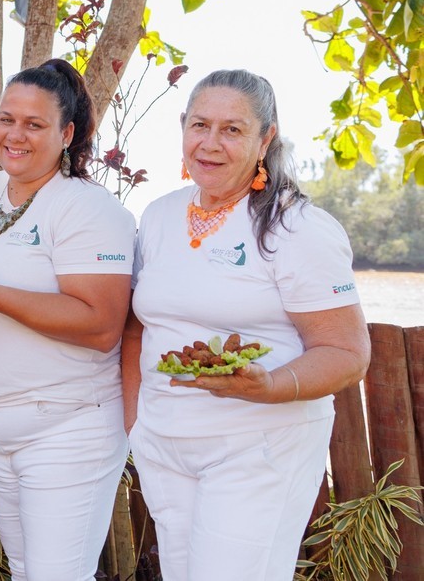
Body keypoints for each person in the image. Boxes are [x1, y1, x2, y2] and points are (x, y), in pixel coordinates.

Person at [121, 69, 369, 581]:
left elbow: (347, 353)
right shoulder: (159, 215)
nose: (210, 144)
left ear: (266, 138)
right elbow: (137, 327)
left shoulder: (296, 227)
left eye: (232, 130)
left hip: (259, 448)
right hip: (165, 445)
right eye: (199, 125)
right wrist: (136, 426)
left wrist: (270, 384)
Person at [0, 59, 136, 580]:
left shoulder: (88, 209)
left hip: (68, 424)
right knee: (23, 570)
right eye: (6, 119)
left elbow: (101, 322)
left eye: (34, 124)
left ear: (66, 134)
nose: (14, 134)